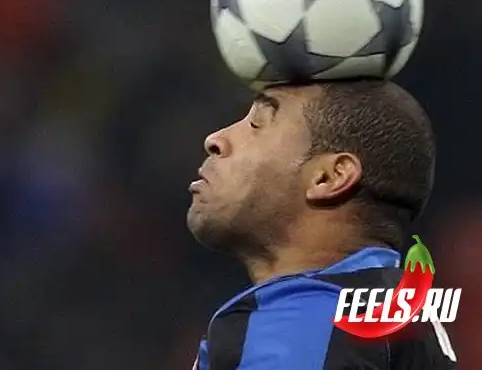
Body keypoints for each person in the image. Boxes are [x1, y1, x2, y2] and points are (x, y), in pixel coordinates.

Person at [187, 79, 457, 369]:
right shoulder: (394, 312)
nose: (215, 139)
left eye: (257, 123)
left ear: (328, 178)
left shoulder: (305, 318)